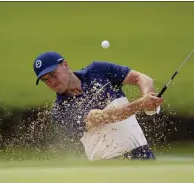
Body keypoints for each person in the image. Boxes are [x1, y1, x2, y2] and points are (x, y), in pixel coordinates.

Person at [33, 51, 163, 161]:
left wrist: (148, 99)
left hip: (144, 154)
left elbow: (142, 78)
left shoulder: (98, 70)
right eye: (45, 80)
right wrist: (141, 104)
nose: (51, 81)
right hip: (109, 166)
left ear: (65, 65)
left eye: (53, 74)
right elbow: (102, 118)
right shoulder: (60, 110)